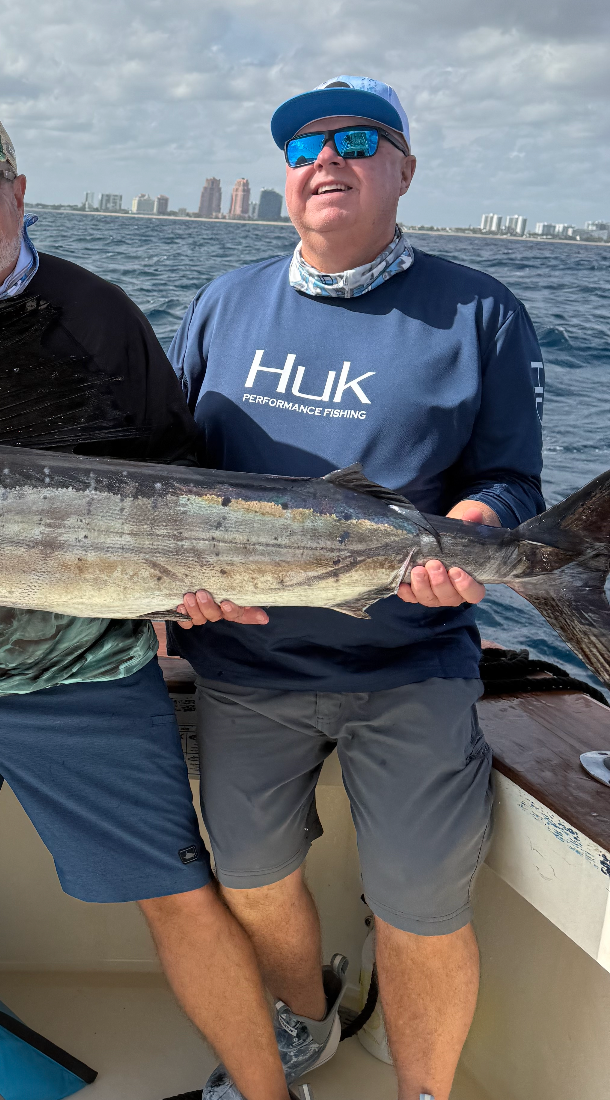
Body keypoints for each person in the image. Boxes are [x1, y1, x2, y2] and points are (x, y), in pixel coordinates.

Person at [0, 100, 309, 1100]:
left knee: (177, 893)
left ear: (19, 193)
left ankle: (269, 1095)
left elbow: (179, 481)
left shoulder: (97, 315)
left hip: (85, 669)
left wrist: (187, 591)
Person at [167, 76, 544, 1100]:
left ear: (404, 169)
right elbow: (167, 481)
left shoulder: (479, 311)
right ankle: (304, 1022)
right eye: (300, 149)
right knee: (247, 878)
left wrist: (465, 540)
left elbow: (509, 482)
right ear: (285, 181)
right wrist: (173, 592)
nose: (323, 160)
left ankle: (422, 1091)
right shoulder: (222, 303)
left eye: (356, 140)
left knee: (421, 904)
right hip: (245, 660)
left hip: (410, 660)